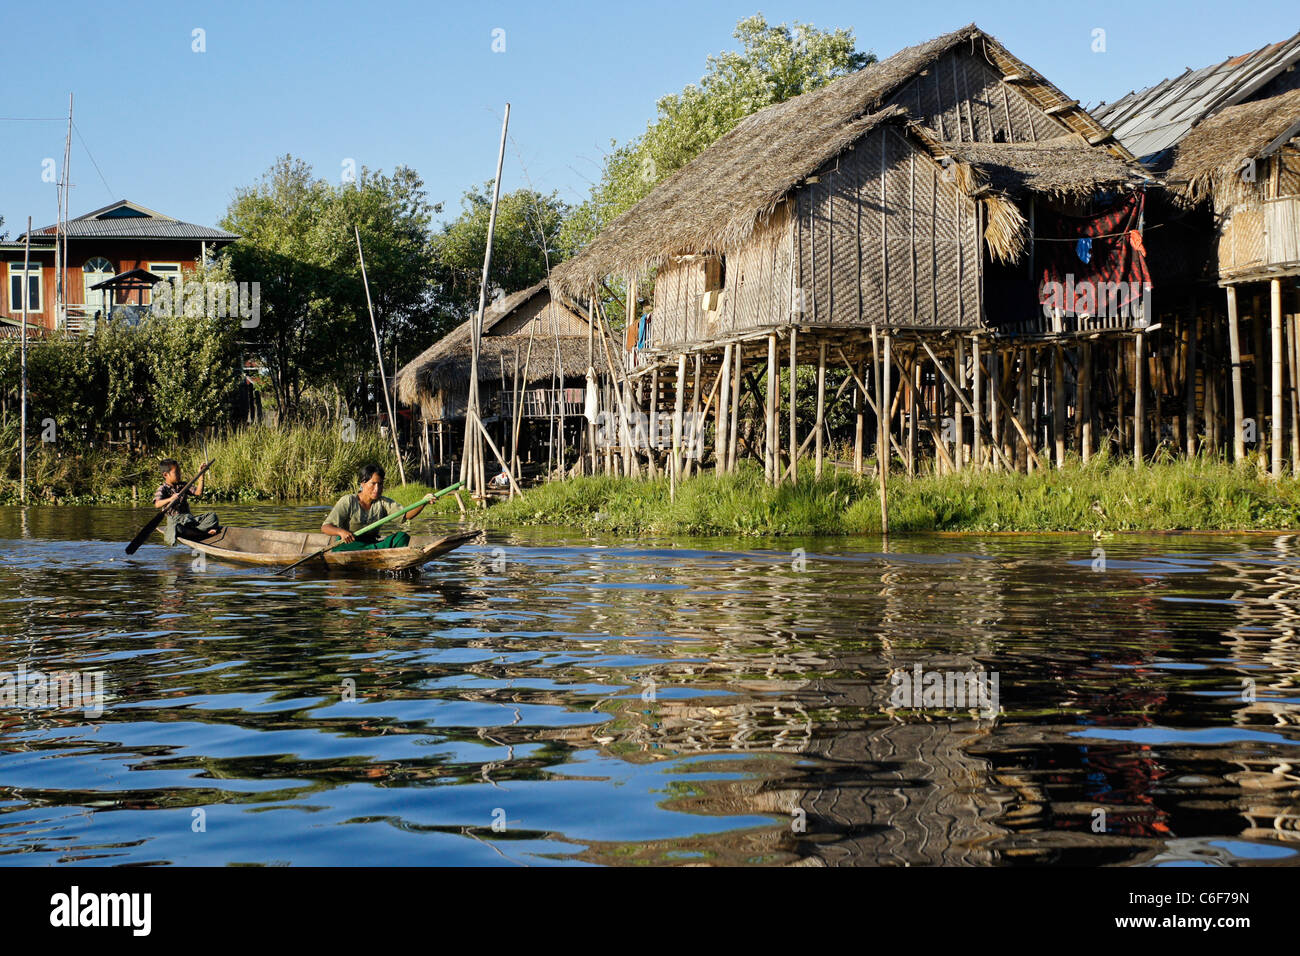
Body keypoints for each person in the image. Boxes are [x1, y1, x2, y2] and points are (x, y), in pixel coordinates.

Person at [321, 464, 428, 550]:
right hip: (350, 545)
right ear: (362, 483)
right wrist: (341, 532)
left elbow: (405, 515)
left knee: (401, 537)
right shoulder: (348, 501)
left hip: (372, 543)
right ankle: (375, 550)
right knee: (346, 547)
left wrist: (424, 502)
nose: (377, 488)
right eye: (373, 484)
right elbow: (325, 527)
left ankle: (374, 550)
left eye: (380, 484)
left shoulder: (383, 502)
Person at [154, 458, 221, 545]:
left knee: (212, 516)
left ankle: (195, 532)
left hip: (189, 520)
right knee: (176, 528)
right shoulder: (163, 489)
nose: (179, 474)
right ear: (166, 474)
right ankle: (203, 533)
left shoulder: (183, 485)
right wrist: (170, 499)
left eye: (179, 472)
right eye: (176, 473)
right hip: (176, 521)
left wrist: (201, 476)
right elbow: (157, 504)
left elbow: (198, 492)